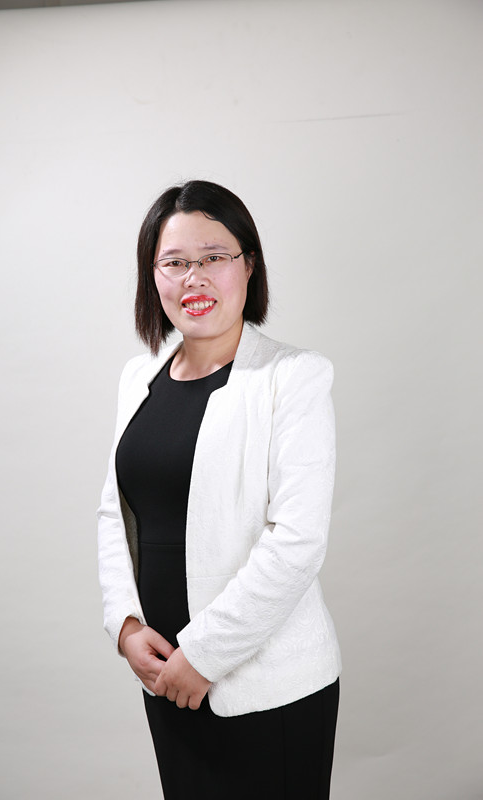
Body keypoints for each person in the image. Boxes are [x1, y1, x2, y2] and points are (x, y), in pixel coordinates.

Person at [97, 180, 342, 799]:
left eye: (214, 257)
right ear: (153, 276)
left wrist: (202, 655)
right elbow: (115, 514)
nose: (194, 278)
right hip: (165, 680)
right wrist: (125, 625)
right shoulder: (138, 378)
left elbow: (297, 542)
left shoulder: (294, 378)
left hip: (267, 687)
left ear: (249, 265)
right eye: (175, 263)